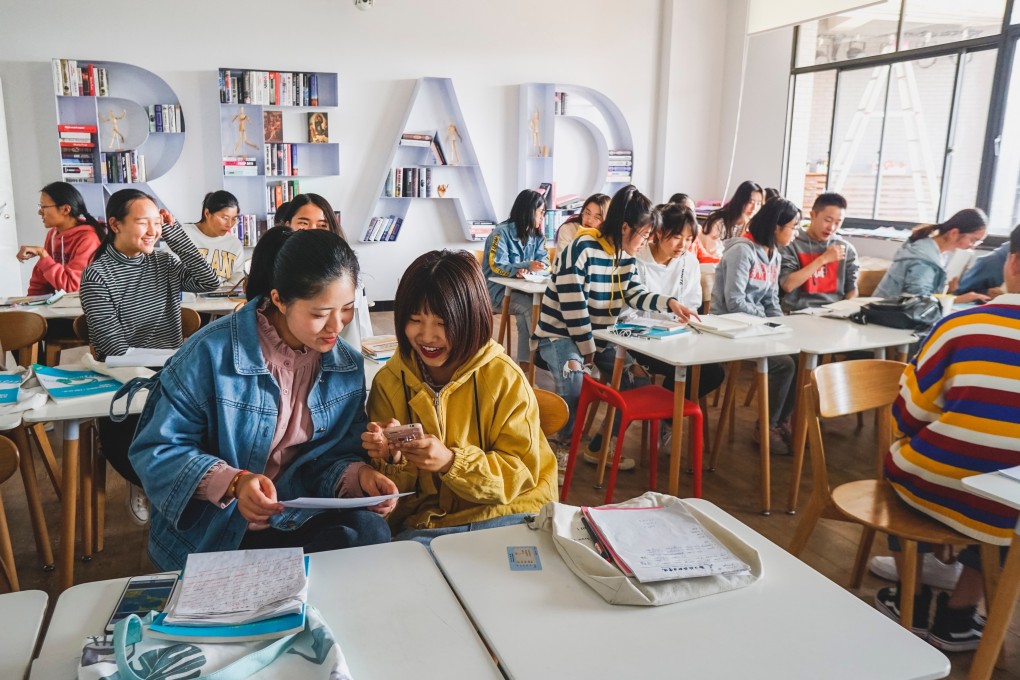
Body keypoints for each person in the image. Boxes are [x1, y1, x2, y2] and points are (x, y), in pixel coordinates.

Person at [128, 228, 395, 570]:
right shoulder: (211, 352)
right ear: (279, 299)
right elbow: (156, 450)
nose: (336, 326)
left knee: (369, 530)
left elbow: (333, 456)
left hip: (293, 519)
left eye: (345, 309)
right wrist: (235, 483)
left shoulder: (344, 365)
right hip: (217, 530)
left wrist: (359, 477)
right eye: (319, 313)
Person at [875, 223, 1020, 652]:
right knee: (1006, 511)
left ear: (1012, 263)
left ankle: (910, 597)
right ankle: (959, 615)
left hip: (932, 479)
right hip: (1006, 506)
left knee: (901, 459)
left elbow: (909, 412)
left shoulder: (961, 324)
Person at [361, 250, 557, 546]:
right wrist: (392, 460)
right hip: (428, 527)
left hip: (506, 515)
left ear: (471, 318)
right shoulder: (390, 382)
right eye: (415, 320)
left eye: (442, 323)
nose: (427, 336)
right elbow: (395, 502)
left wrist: (451, 462)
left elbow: (521, 472)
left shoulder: (504, 378)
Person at [534, 185, 697, 474]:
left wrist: (669, 303)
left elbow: (635, 293)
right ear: (625, 227)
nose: (647, 242)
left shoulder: (626, 257)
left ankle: (598, 446)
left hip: (601, 338)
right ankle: (562, 448)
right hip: (560, 335)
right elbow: (574, 310)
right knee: (575, 384)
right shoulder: (581, 249)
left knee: (639, 385)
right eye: (645, 234)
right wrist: (588, 353)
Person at [80, 189, 220, 524]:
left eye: (158, 223)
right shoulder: (98, 275)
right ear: (115, 224)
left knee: (207, 431)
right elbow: (115, 349)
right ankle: (140, 481)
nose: (153, 230)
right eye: (144, 222)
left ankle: (179, 492)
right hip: (127, 378)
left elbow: (209, 281)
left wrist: (173, 233)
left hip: (172, 374)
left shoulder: (164, 261)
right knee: (138, 439)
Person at [711, 197, 801, 451]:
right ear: (776, 227)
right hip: (728, 326)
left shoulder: (774, 256)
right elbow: (734, 301)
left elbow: (772, 300)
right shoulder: (742, 250)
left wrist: (780, 326)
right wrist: (767, 323)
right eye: (793, 227)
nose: (795, 234)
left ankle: (782, 420)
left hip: (756, 327)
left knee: (797, 356)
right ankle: (766, 427)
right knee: (783, 365)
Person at [624, 202, 724, 399]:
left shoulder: (690, 262)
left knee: (714, 372)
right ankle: (664, 417)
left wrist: (680, 322)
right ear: (659, 232)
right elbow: (628, 311)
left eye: (688, 239)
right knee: (681, 367)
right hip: (640, 339)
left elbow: (691, 304)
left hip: (676, 336)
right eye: (677, 237)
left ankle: (666, 420)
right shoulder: (636, 257)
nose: (683, 246)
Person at [482, 189, 550, 366]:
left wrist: (535, 269)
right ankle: (542, 350)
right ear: (528, 211)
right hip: (496, 292)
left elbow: (546, 264)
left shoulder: (538, 236)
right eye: (540, 213)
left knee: (533, 309)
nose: (542, 217)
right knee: (528, 308)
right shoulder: (500, 233)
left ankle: (526, 364)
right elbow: (496, 265)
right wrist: (523, 267)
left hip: (525, 290)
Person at [873, 208, 991, 303]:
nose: (973, 246)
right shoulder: (923, 259)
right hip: (887, 316)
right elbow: (917, 300)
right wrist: (957, 299)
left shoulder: (937, 253)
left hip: (893, 313)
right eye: (973, 240)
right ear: (954, 233)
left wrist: (949, 291)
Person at [17, 181, 105, 295]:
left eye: (44, 207)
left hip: (79, 308)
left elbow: (72, 288)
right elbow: (40, 282)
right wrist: (29, 304)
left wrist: (43, 254)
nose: (40, 212)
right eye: (40, 206)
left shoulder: (88, 238)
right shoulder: (53, 234)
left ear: (65, 209)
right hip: (57, 308)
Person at [779, 192, 859, 312]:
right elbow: (788, 285)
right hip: (798, 313)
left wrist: (846, 311)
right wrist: (823, 260)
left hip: (834, 314)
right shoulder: (791, 243)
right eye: (827, 220)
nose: (831, 227)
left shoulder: (846, 249)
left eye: (838, 222)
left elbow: (852, 290)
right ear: (813, 215)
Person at [182, 190, 245, 286]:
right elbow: (169, 273)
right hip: (189, 299)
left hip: (224, 300)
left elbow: (238, 283)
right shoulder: (184, 234)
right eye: (225, 218)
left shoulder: (234, 244)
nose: (229, 224)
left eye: (234, 219)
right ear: (207, 214)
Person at [702, 180, 764, 257]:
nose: (754, 208)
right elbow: (714, 254)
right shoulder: (719, 223)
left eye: (758, 203)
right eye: (750, 202)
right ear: (740, 201)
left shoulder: (753, 225)